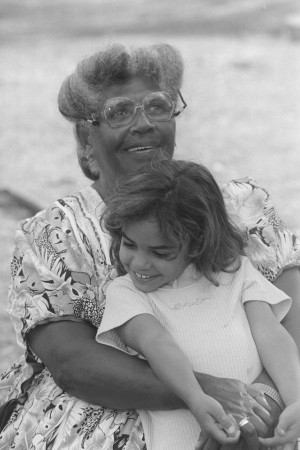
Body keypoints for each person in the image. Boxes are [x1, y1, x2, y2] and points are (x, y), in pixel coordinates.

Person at [0, 42, 299, 450]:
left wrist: (259, 403)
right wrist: (202, 394)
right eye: (119, 112)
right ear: (87, 135)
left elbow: (291, 309)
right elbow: (73, 363)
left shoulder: (239, 207)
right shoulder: (55, 233)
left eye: (157, 106)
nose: (143, 124)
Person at [96, 159, 300, 450]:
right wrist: (195, 397)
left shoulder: (235, 272)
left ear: (196, 243)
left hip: (261, 437)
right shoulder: (126, 292)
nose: (139, 262)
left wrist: (295, 399)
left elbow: (271, 335)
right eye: (129, 244)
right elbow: (156, 343)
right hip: (182, 438)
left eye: (159, 251)